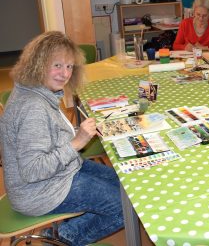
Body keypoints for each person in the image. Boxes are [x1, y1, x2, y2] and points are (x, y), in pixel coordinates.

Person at [0, 31, 124, 245]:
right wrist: (77, 142)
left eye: (69, 66)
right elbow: (32, 170)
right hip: (40, 191)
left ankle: (65, 230)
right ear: (38, 63)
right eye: (57, 65)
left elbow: (48, 135)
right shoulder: (33, 107)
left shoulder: (35, 90)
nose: (64, 74)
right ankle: (65, 236)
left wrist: (77, 133)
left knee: (123, 186)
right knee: (124, 206)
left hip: (61, 172)